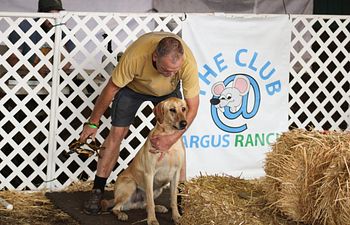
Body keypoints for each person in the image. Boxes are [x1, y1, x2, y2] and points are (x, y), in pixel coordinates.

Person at [79, 31, 200, 215]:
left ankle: (181, 198)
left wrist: (171, 138)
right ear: (154, 57)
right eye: (166, 70)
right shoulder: (136, 56)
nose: (171, 74)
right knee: (116, 135)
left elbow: (193, 107)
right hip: (133, 88)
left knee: (177, 141)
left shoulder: (187, 63)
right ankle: (97, 191)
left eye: (175, 71)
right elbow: (110, 89)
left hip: (167, 93)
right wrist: (93, 122)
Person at [8, 0, 74, 73]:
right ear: (41, 15)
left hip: (54, 79)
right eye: (49, 15)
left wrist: (58, 33)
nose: (53, 20)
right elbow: (12, 59)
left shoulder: (67, 33)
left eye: (57, 15)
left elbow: (66, 65)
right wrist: (35, 69)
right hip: (26, 77)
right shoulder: (25, 27)